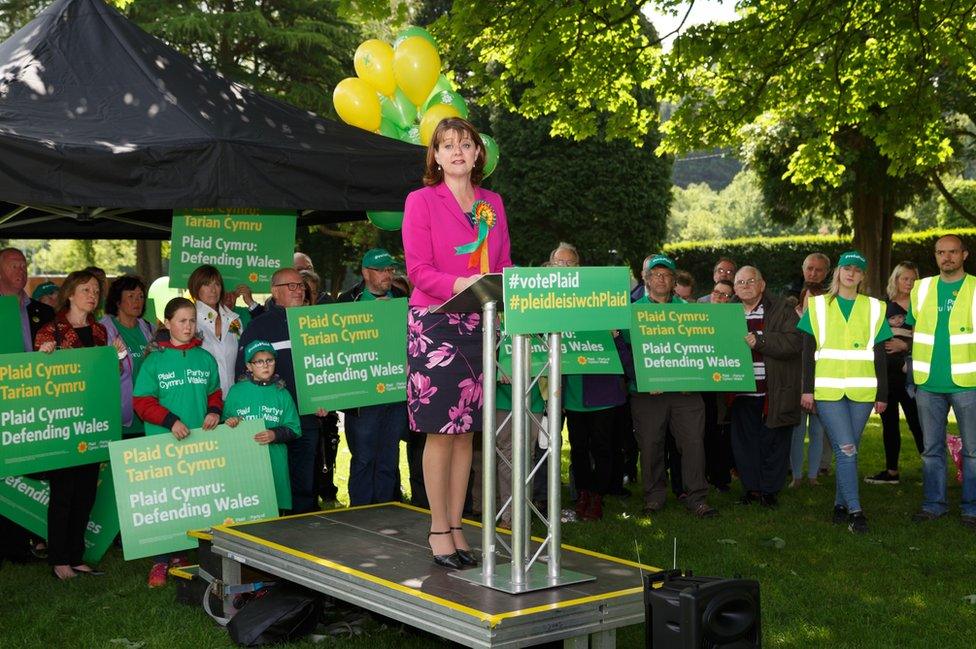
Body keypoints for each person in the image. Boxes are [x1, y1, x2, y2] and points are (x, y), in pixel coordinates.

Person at [402, 116, 512, 569]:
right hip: (436, 322)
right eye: (447, 145)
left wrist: (500, 285)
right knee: (440, 432)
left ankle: (458, 526)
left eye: (465, 144)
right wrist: (462, 283)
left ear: (477, 153)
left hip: (480, 322)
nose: (457, 151)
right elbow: (418, 270)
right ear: (436, 156)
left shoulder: (493, 202)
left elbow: (503, 261)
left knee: (467, 431)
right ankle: (437, 529)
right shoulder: (421, 201)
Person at [35, 270, 125, 580]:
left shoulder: (100, 331)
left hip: (93, 423)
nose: (93, 295)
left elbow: (114, 372)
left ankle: (76, 556)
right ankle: (59, 559)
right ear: (70, 293)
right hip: (63, 424)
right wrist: (43, 356)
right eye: (86, 289)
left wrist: (117, 356)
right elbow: (40, 377)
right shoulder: (51, 331)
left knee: (86, 493)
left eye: (97, 291)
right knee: (64, 492)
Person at [133, 297, 223, 587]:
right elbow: (142, 402)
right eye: (182, 320)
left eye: (192, 320)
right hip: (164, 442)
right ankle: (160, 560)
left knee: (194, 499)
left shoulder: (205, 358)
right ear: (168, 323)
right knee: (167, 501)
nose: (188, 326)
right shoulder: (155, 359)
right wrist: (171, 420)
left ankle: (184, 555)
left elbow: (214, 392)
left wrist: (214, 411)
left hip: (199, 443)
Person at [799, 251, 890, 533]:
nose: (851, 273)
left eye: (857, 270)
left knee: (846, 449)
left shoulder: (875, 307)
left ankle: (839, 504)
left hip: (863, 391)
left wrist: (883, 394)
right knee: (848, 449)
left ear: (862, 276)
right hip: (828, 390)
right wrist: (806, 390)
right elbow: (806, 352)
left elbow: (879, 355)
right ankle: (855, 511)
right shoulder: (817, 306)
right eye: (846, 268)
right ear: (838, 272)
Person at [627, 254, 718, 518]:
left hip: (685, 392)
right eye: (656, 275)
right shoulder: (634, 311)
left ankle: (697, 498)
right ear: (646, 279)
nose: (661, 279)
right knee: (650, 445)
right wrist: (644, 379)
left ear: (673, 280)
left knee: (692, 444)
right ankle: (654, 496)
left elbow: (702, 349)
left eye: (666, 275)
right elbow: (626, 351)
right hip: (648, 393)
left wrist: (694, 379)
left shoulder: (689, 312)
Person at [236, 268, 328, 514]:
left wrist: (326, 396)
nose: (299, 290)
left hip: (308, 416)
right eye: (292, 286)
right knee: (271, 483)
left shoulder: (316, 322)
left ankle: (303, 534)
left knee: (305, 482)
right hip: (271, 422)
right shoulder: (258, 326)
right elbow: (242, 374)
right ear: (275, 291)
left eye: (301, 286)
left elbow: (329, 365)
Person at [907, 235, 976, 528]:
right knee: (930, 450)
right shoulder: (921, 289)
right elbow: (916, 332)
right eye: (940, 253)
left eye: (952, 252)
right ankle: (933, 504)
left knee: (973, 451)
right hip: (928, 383)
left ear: (964, 255)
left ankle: (971, 509)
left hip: (968, 383)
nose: (946, 257)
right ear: (935, 256)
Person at [337, 248, 409, 506]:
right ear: (366, 273)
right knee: (364, 457)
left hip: (394, 389)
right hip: (363, 396)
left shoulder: (402, 297)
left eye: (390, 269)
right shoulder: (348, 300)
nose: (387, 275)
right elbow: (337, 345)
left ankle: (387, 508)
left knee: (389, 456)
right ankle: (361, 512)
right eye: (381, 270)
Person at [0, 248, 56, 563]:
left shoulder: (42, 312)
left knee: (32, 470)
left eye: (24, 264)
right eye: (13, 265)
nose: (20, 270)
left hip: (36, 404)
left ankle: (30, 539)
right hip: (3, 402)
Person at [729, 266, 802, 508]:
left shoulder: (783, 309)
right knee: (744, 445)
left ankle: (770, 492)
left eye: (751, 280)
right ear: (735, 288)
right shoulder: (725, 313)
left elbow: (795, 342)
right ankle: (751, 490)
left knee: (775, 443)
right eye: (740, 282)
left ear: (762, 285)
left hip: (775, 390)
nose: (745, 285)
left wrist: (761, 341)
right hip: (740, 391)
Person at [224, 340, 301, 512]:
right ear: (249, 366)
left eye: (270, 360)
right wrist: (231, 423)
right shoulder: (236, 391)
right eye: (259, 361)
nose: (265, 365)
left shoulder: (282, 393)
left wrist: (275, 434)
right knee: (248, 507)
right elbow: (225, 424)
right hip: (245, 463)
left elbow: (294, 428)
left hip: (275, 461)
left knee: (275, 508)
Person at [866, 262, 924, 484]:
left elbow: (930, 339)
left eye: (912, 279)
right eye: (904, 278)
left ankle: (930, 469)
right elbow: (876, 341)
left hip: (911, 376)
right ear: (896, 280)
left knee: (917, 422)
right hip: (887, 376)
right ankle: (891, 472)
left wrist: (905, 347)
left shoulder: (921, 306)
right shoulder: (884, 308)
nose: (908, 283)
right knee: (889, 424)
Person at [788, 252, 833, 480]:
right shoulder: (788, 306)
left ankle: (814, 474)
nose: (813, 273)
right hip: (796, 377)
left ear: (827, 273)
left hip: (821, 377)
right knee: (797, 429)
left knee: (818, 428)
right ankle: (796, 475)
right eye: (809, 268)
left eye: (819, 269)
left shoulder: (831, 304)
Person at [100, 275, 154, 439]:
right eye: (131, 296)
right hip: (121, 418)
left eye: (141, 297)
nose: (137, 301)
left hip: (149, 415)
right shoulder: (103, 330)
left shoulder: (150, 329)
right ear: (117, 301)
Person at [187, 265, 242, 397]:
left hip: (234, 398)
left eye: (217, 284)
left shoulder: (234, 320)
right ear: (196, 288)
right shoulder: (189, 320)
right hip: (201, 399)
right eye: (206, 284)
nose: (213, 290)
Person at [702, 279, 735, 491]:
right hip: (703, 384)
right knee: (705, 431)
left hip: (725, 385)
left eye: (724, 295)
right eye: (716, 293)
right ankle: (705, 475)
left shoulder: (734, 319)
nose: (719, 297)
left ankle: (721, 478)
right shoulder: (699, 316)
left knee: (722, 433)